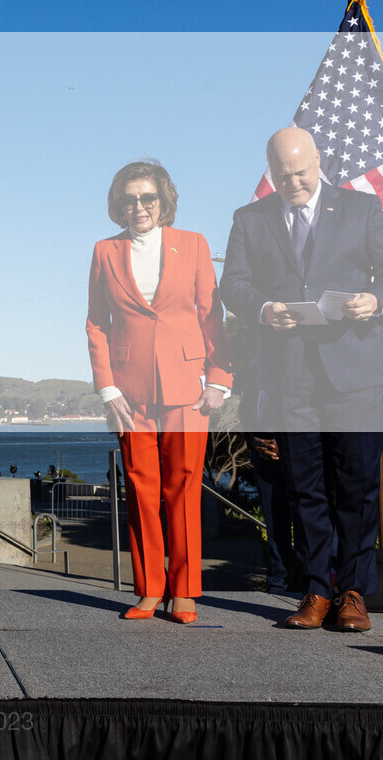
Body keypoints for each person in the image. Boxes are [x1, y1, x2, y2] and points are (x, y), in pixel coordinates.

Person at [221, 127, 383, 632]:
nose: (294, 182)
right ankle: (316, 591)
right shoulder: (250, 218)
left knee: (354, 487)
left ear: (318, 161)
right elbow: (233, 286)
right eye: (283, 175)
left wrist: (374, 301)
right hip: (289, 377)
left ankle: (353, 593)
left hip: (355, 372)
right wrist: (263, 309)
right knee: (304, 488)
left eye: (301, 172)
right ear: (271, 172)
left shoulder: (361, 208)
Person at [85, 160, 231, 624]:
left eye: (147, 198)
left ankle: (185, 591)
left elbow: (211, 315)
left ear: (163, 200)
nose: (139, 207)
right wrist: (108, 389)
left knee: (184, 486)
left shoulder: (193, 244)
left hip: (188, 387)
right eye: (130, 199)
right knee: (141, 489)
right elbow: (96, 323)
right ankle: (150, 588)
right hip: (130, 391)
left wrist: (220, 380)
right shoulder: (104, 250)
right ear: (118, 204)